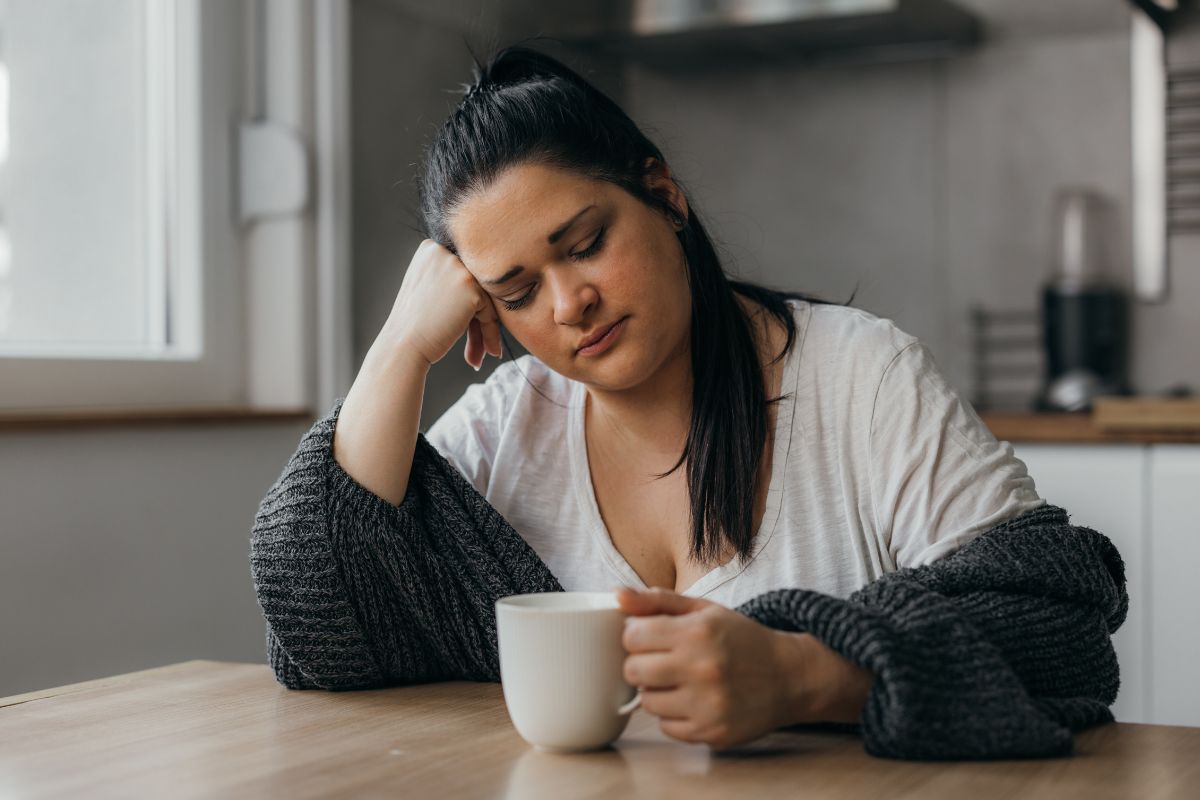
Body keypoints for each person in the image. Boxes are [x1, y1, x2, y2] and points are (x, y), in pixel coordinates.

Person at [250, 45, 1127, 759]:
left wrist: (805, 673)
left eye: (585, 244)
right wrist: (402, 346)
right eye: (515, 292)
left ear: (664, 197)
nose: (567, 305)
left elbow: (1058, 630)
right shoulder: (507, 424)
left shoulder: (864, 379)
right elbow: (326, 619)